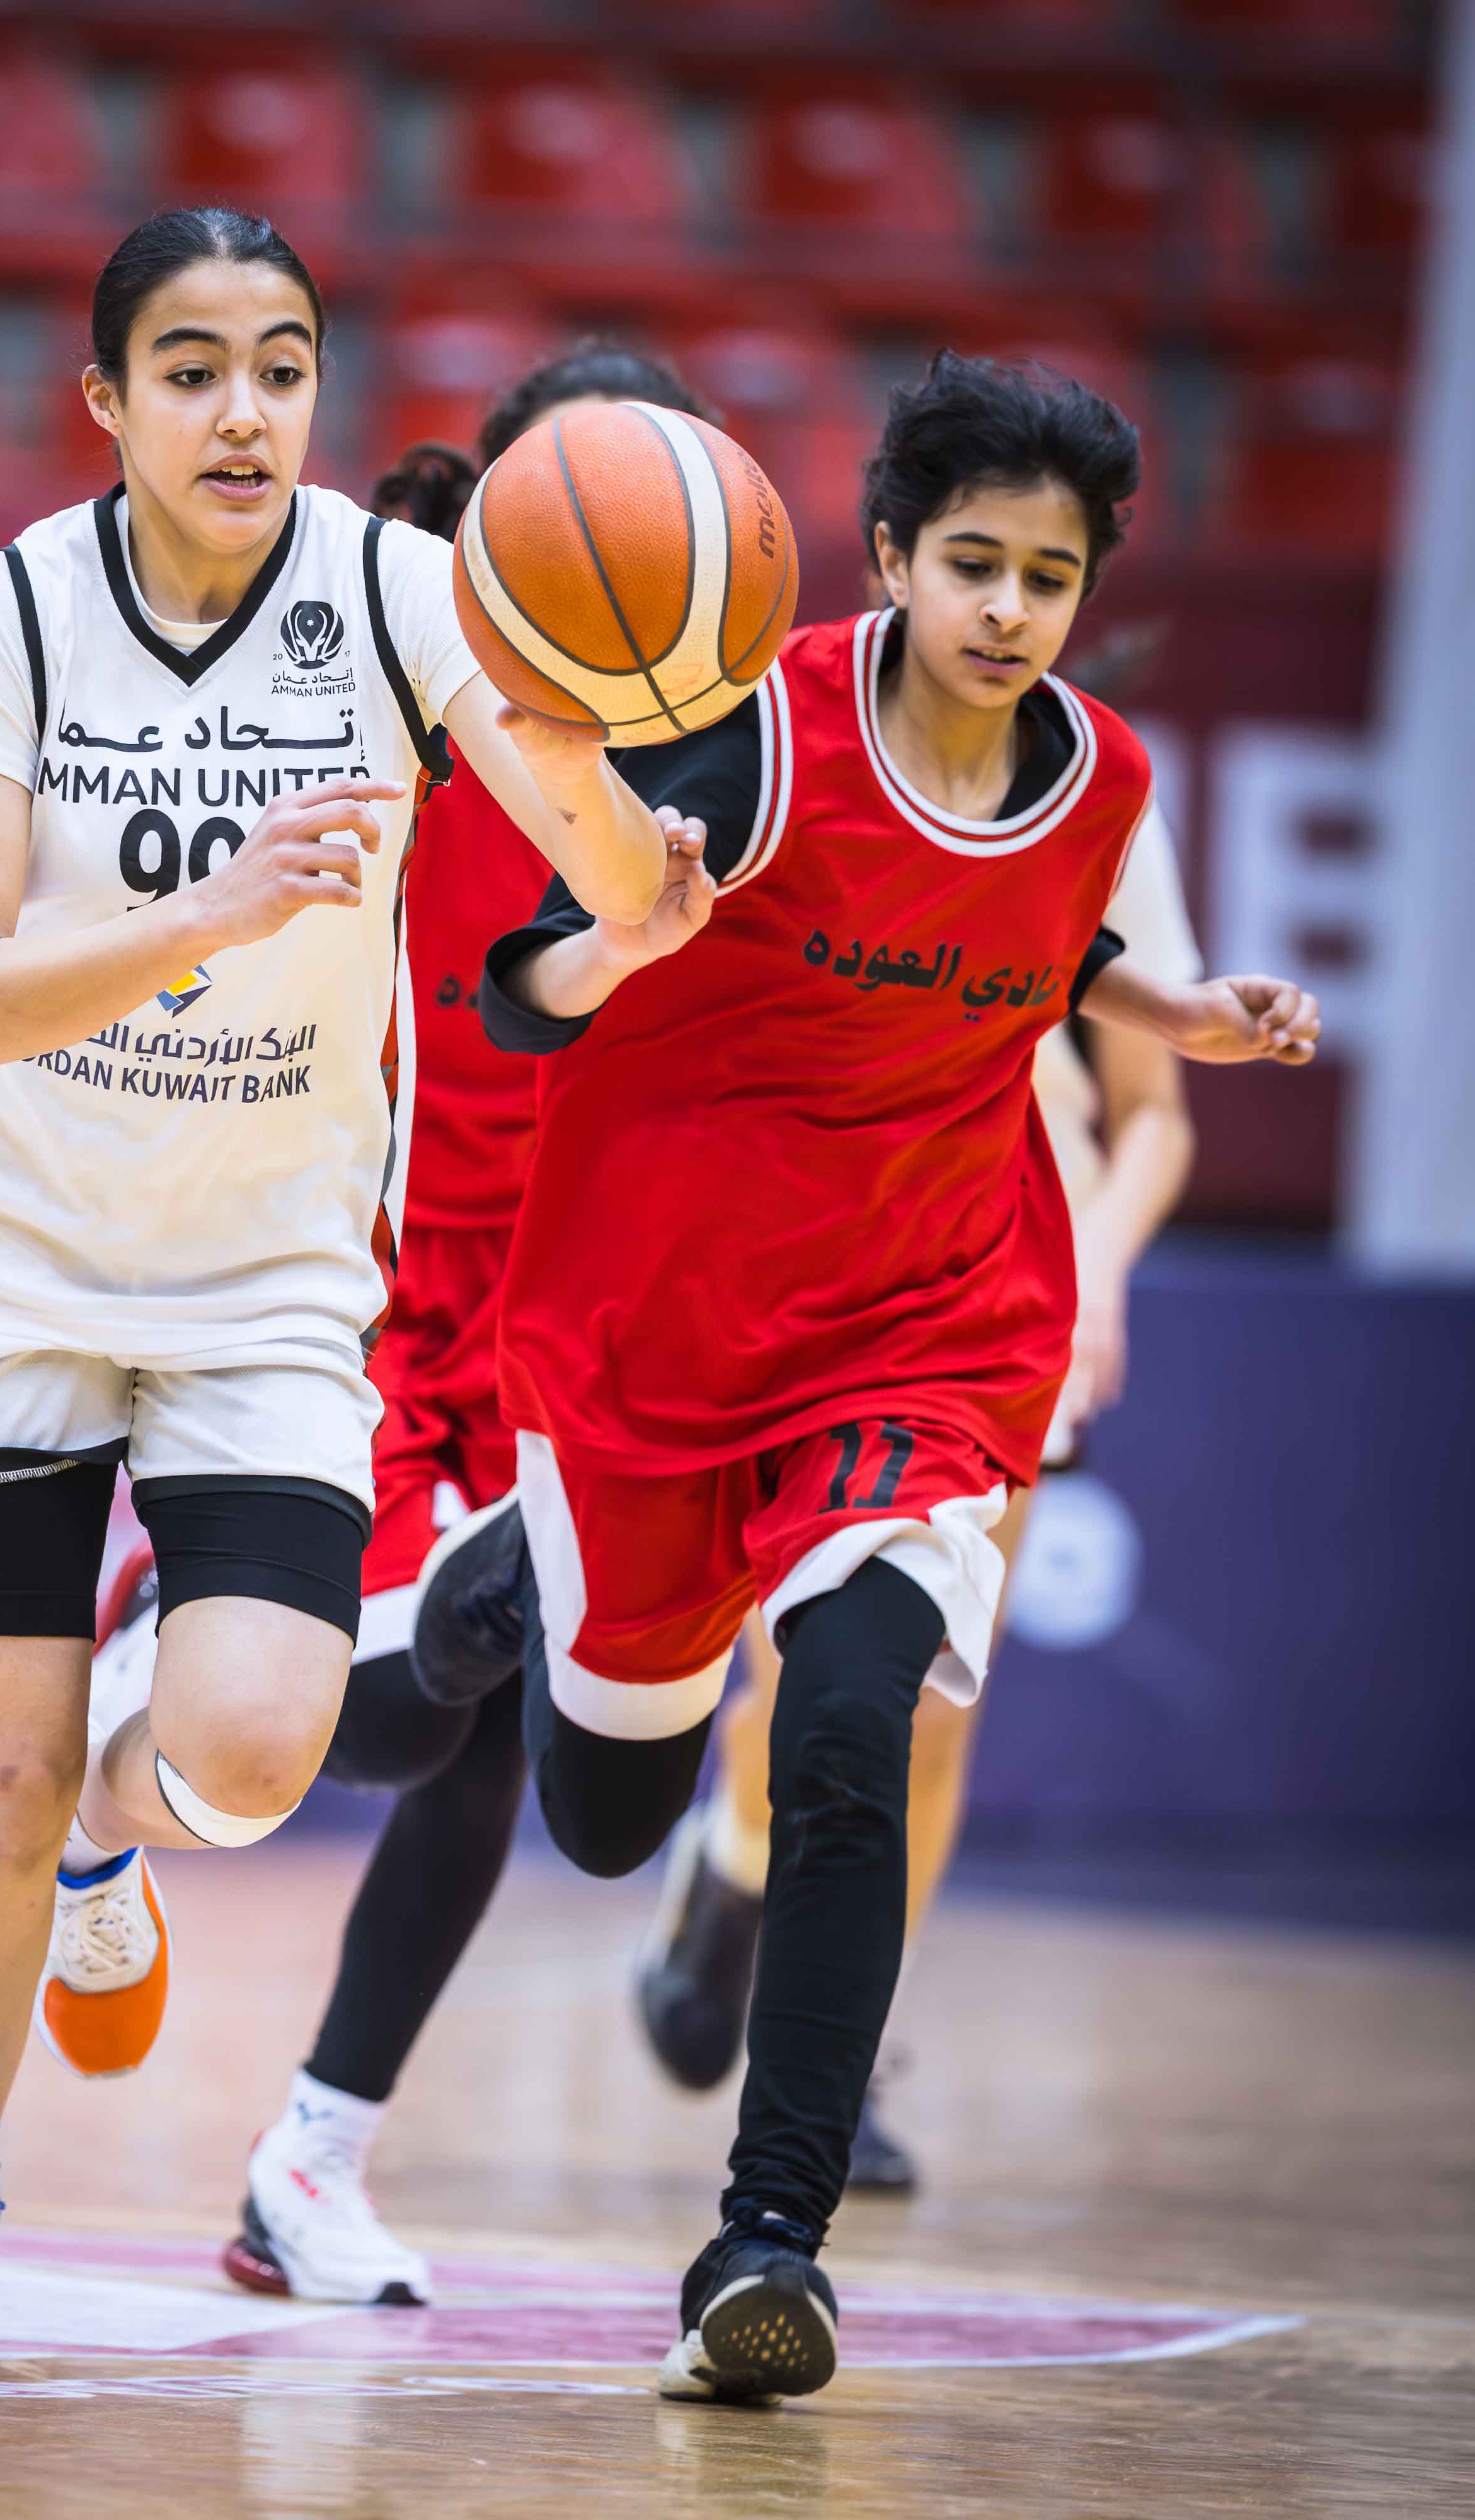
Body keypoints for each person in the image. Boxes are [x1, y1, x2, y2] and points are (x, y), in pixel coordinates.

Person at [408, 350, 1319, 2404]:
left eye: (1050, 578)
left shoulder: (1103, 781)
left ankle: (770, 2246)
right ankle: (529, 1573)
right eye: (973, 563)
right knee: (614, 1815)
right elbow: (517, 988)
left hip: (929, 1321)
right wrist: (624, 936)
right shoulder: (752, 728)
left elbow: (1055, 949)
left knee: (849, 1732)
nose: (1009, 608)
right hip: (662, 1330)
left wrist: (1185, 1012)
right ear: (892, 558)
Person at [0, 209, 670, 2384]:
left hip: (270, 1276)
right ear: (107, 401)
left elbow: (593, 854)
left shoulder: (395, 593)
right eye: (192, 369)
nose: (243, 411)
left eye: (282, 367)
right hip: (9, 1250)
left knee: (260, 1745)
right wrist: (208, 910)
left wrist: (636, 864)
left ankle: (108, 1852)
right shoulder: (17, 607)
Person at [66, 345, 712, 2311]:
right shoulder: (386, 676)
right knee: (395, 1715)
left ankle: (311, 2163)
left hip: (571, 1313)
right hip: (365, 1277)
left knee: (482, 1731)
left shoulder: (723, 739)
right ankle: (136, 1701)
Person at [636, 774, 1201, 2186]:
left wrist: (1101, 1269)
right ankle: (738, 1854)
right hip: (830, 1258)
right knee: (798, 1686)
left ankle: (847, 2051)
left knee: (928, 1717)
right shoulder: (814, 756)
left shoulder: (1106, 808)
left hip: (1015, 1284)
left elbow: (1157, 1112)